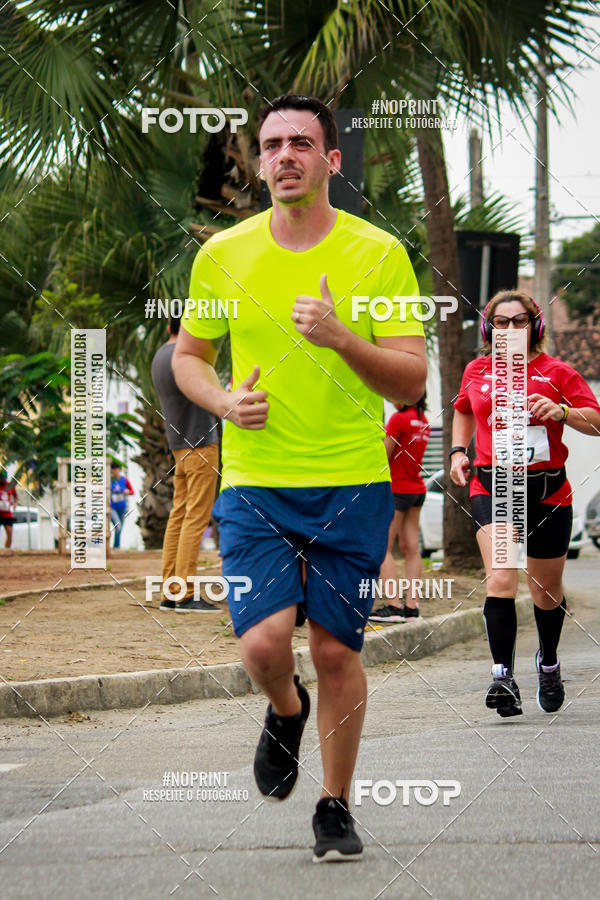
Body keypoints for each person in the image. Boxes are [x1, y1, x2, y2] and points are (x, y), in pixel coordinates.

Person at [172, 94, 426, 862]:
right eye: (272, 143)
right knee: (263, 646)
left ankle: (334, 805)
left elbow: (411, 381)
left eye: (301, 144)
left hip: (351, 482)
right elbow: (190, 357)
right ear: (258, 161)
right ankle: (285, 711)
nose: (284, 155)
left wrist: (344, 338)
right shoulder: (223, 255)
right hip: (255, 482)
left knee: (337, 653)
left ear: (330, 160)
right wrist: (222, 400)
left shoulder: (378, 254)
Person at [450, 290, 600, 717]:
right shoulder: (477, 370)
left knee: (546, 592)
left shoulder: (557, 372)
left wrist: (562, 411)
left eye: (519, 321)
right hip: (494, 490)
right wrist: (459, 452)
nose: (510, 329)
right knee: (500, 580)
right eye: (502, 322)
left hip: (548, 492)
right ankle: (502, 677)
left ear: (534, 326)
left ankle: (548, 662)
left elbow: (597, 420)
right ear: (488, 328)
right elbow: (463, 408)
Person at [151, 315, 220, 612]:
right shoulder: (187, 358)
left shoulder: (160, 357)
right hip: (201, 444)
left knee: (179, 516)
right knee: (195, 518)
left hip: (179, 446)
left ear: (169, 327)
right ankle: (187, 593)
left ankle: (171, 590)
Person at [369, 395, 430, 622]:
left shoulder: (398, 419)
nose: (392, 399)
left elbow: (384, 455)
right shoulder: (423, 420)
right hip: (416, 488)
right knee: (411, 549)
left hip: (397, 489)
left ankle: (394, 606)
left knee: (383, 547)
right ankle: (411, 608)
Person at [110, 462, 134, 549]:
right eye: (113, 469)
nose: (115, 471)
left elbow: (132, 491)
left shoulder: (124, 480)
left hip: (122, 507)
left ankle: (116, 546)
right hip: (112, 508)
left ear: (119, 470)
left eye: (117, 469)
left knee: (119, 528)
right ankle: (116, 546)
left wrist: (128, 492)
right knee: (118, 526)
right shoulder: (109, 480)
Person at [0, 475, 17, 549]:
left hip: (7, 513)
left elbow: (15, 496)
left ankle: (7, 550)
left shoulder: (10, 485)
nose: (2, 480)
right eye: (1, 479)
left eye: (4, 479)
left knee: (10, 533)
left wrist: (15, 503)